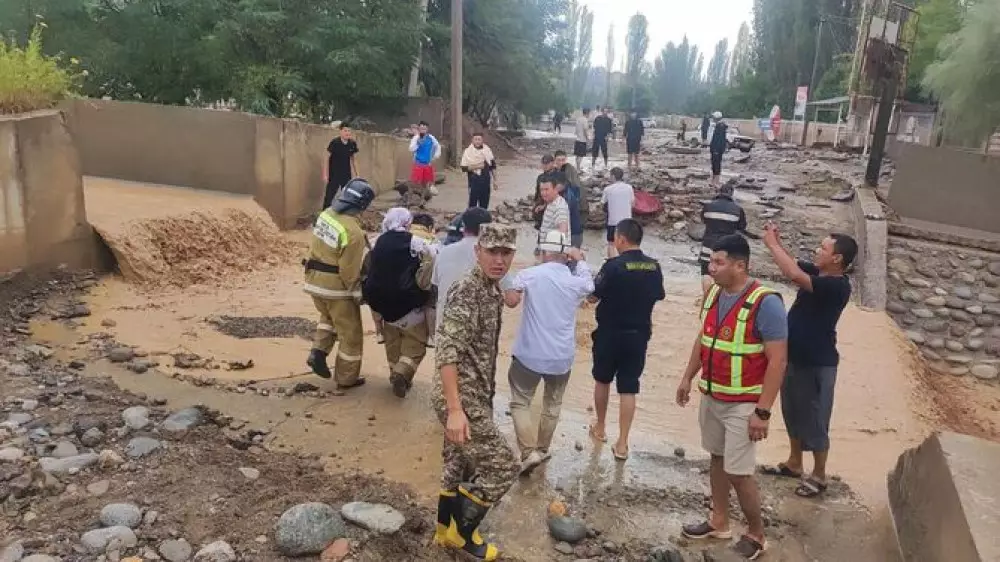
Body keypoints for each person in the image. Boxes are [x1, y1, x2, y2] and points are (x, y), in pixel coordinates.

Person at [675, 234, 788, 561]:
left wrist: (763, 413)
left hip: (744, 404)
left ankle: (756, 534)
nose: (711, 268)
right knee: (717, 458)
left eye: (719, 263)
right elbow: (704, 338)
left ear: (741, 266)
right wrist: (686, 377)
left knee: (739, 472)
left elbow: (778, 361)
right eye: (711, 262)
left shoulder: (766, 303)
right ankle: (719, 521)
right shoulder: (713, 293)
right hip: (713, 395)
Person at [431, 223, 520, 561]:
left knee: (457, 462)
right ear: (477, 251)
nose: (499, 260)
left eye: (505, 252)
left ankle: (442, 531)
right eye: (492, 251)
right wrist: (455, 409)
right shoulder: (468, 290)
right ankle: (462, 535)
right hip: (461, 397)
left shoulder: (491, 290)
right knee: (503, 467)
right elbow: (447, 350)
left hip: (473, 393)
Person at [761, 226, 856, 499]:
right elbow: (792, 265)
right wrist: (778, 244)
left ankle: (819, 474)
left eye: (823, 249)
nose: (817, 251)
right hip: (794, 356)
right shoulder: (820, 273)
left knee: (815, 418)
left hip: (818, 362)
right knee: (792, 410)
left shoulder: (836, 286)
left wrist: (771, 245)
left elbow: (793, 274)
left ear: (837, 259)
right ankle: (794, 462)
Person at [503, 231, 594, 474]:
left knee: (520, 401)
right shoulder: (576, 281)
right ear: (566, 256)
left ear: (543, 253)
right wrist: (580, 259)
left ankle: (528, 451)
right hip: (561, 357)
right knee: (552, 404)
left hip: (528, 355)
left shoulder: (530, 275)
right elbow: (590, 284)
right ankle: (542, 450)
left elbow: (511, 299)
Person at [588, 219, 665, 460]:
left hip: (609, 333)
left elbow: (592, 295)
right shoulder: (654, 267)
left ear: (621, 239)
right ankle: (622, 443)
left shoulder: (612, 266)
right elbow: (659, 295)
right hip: (638, 335)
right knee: (629, 388)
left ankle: (600, 428)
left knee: (602, 380)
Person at [304, 178, 376, 389]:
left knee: (328, 318)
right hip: (336, 289)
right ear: (363, 205)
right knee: (350, 334)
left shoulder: (326, 214)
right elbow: (349, 271)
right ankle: (346, 378)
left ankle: (318, 351)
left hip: (313, 281)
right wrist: (358, 295)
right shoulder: (353, 233)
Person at [362, 208, 435, 398]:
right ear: (407, 223)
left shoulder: (376, 241)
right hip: (409, 305)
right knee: (415, 345)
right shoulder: (416, 242)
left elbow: (366, 264)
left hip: (382, 306)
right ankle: (402, 374)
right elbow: (433, 257)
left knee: (392, 343)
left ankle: (394, 371)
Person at [432, 207, 493, 331]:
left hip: (445, 329)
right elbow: (511, 299)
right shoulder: (494, 256)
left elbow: (435, 285)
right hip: (478, 331)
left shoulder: (443, 252)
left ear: (463, 227)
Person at [699, 183, 756, 296]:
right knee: (725, 273)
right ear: (731, 194)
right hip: (727, 248)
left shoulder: (708, 206)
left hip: (709, 244)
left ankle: (707, 297)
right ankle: (720, 299)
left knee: (706, 272)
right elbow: (741, 227)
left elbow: (704, 220)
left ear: (719, 192)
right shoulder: (737, 209)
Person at [323, 124, 360, 210]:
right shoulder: (335, 143)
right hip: (334, 174)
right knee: (329, 196)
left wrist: (358, 175)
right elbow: (326, 158)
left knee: (347, 196)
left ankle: (345, 213)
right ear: (340, 132)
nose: (347, 133)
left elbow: (354, 160)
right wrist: (325, 174)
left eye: (349, 131)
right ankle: (324, 213)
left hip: (346, 174)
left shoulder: (352, 144)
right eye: (345, 130)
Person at [600, 168, 635, 259]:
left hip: (613, 221)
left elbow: (602, 204)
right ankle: (626, 262)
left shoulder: (608, 189)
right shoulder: (629, 188)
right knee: (627, 244)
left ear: (613, 176)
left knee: (611, 244)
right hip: (627, 221)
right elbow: (633, 204)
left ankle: (612, 262)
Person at [460, 133, 498, 210]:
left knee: (484, 205)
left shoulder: (487, 151)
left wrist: (495, 181)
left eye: (479, 139)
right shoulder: (468, 152)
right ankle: (472, 220)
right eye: (475, 139)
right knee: (472, 205)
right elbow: (463, 168)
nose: (477, 141)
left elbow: (493, 167)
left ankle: (482, 220)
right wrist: (477, 166)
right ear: (472, 140)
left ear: (482, 140)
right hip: (473, 181)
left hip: (486, 181)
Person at [409, 121, 442, 197]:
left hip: (427, 164)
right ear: (419, 129)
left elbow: (438, 146)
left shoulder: (431, 138)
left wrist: (435, 157)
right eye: (421, 128)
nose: (423, 129)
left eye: (425, 128)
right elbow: (411, 149)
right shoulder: (416, 138)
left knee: (426, 184)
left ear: (427, 129)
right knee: (415, 183)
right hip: (418, 164)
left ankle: (423, 199)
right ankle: (412, 198)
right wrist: (418, 143)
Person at [537, 173, 569, 249]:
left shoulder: (560, 207)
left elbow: (563, 231)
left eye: (547, 189)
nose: (543, 193)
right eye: (541, 190)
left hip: (553, 254)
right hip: (546, 251)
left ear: (555, 189)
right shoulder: (551, 202)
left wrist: (554, 255)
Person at [553, 172, 584, 249]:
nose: (554, 187)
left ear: (562, 184)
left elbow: (563, 215)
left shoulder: (568, 196)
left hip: (573, 234)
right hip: (573, 232)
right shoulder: (565, 192)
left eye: (555, 185)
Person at [533, 154, 557, 232]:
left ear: (552, 163)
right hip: (541, 209)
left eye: (547, 163)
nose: (545, 165)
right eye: (543, 163)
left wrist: (544, 205)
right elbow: (537, 193)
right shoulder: (540, 177)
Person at [709, 111, 728, 187]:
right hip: (715, 149)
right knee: (714, 164)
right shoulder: (719, 125)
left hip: (717, 149)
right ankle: (713, 180)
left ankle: (716, 181)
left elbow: (719, 140)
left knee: (716, 164)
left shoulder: (720, 126)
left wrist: (717, 149)